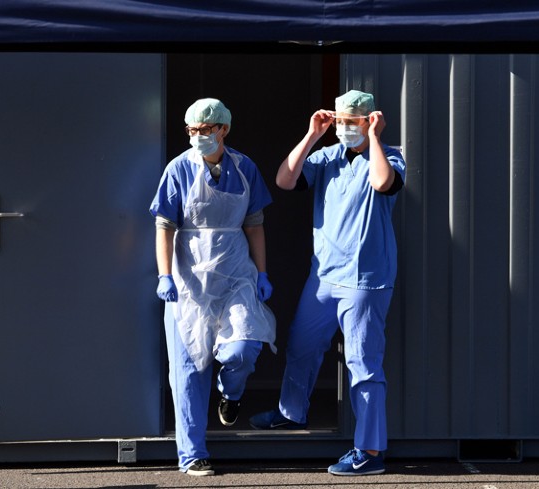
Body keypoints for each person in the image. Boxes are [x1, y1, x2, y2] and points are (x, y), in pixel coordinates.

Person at [249, 90, 405, 476]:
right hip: (325, 276)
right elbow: (285, 180)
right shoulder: (327, 158)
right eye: (341, 121)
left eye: (353, 122)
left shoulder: (389, 155)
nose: (345, 128)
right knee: (301, 344)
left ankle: (369, 452)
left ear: (369, 120)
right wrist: (313, 134)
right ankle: (291, 413)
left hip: (365, 281)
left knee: (363, 364)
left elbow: (384, 183)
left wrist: (374, 137)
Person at [150, 98, 276, 477]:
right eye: (191, 130)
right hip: (189, 276)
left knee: (244, 346)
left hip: (236, 271)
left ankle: (231, 392)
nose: (198, 136)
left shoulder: (244, 167)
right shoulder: (179, 169)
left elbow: (254, 223)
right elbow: (164, 227)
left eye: (205, 130)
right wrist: (165, 274)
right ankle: (192, 454)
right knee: (188, 368)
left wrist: (263, 272)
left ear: (223, 129)